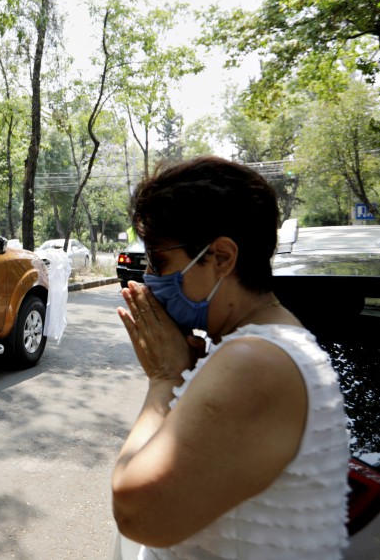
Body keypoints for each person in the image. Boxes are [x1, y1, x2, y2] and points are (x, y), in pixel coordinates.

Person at [111, 157, 350, 559]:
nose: (149, 277)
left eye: (159, 260)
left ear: (221, 257)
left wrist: (165, 379)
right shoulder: (257, 346)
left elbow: (137, 513)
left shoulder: (256, 362)